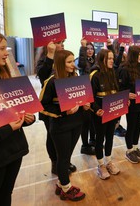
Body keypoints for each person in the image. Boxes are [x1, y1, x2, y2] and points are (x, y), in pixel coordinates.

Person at [0, 30, 36, 206]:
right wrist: (8, 128)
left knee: (5, 196)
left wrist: (25, 119)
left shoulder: (3, 77)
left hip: (13, 152)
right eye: (2, 48)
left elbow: (10, 116)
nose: (6, 53)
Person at [39, 49, 88, 201]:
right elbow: (43, 106)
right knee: (63, 158)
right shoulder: (51, 82)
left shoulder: (77, 78)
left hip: (77, 123)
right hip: (60, 127)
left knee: (66, 157)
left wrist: (85, 104)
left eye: (73, 61)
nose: (73, 65)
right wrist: (63, 112)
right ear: (60, 63)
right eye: (69, 62)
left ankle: (61, 185)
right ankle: (66, 188)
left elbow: (82, 97)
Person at [35, 40, 77, 175]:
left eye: (63, 42)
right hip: (52, 107)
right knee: (52, 137)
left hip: (67, 108)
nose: (62, 44)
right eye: (59, 42)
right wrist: (50, 54)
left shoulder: (67, 61)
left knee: (65, 140)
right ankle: (55, 162)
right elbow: (42, 75)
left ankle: (64, 161)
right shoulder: (45, 61)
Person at [90, 49, 120, 179]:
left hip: (112, 112)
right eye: (109, 58)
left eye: (113, 58)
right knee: (100, 138)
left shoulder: (112, 72)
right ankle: (101, 165)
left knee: (110, 136)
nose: (112, 61)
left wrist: (123, 102)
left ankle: (108, 161)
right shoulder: (94, 75)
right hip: (99, 114)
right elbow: (90, 97)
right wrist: (96, 109)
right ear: (102, 59)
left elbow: (116, 92)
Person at [118, 46, 140, 163]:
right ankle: (129, 150)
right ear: (133, 55)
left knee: (137, 126)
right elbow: (119, 87)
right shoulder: (124, 69)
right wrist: (127, 94)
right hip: (131, 103)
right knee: (131, 126)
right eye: (139, 55)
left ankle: (135, 147)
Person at [78, 38, 96, 155]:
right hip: (85, 94)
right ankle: (85, 145)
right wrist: (83, 48)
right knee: (86, 122)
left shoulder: (95, 61)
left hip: (94, 94)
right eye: (87, 49)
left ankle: (92, 141)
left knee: (93, 121)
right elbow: (82, 63)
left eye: (91, 49)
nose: (89, 51)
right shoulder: (81, 61)